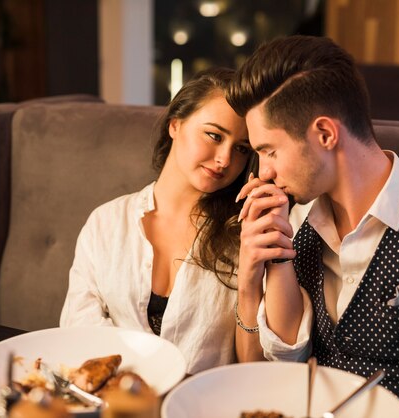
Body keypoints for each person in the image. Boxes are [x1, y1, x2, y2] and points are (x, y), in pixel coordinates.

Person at [227, 35, 399, 416]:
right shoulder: (297, 219)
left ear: (325, 134)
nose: (263, 171)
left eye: (269, 151)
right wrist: (272, 261)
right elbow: (282, 368)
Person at [60, 67, 256, 374]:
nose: (225, 159)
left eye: (241, 149)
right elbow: (78, 327)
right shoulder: (107, 223)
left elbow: (258, 366)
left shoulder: (244, 237)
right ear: (175, 124)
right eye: (214, 135)